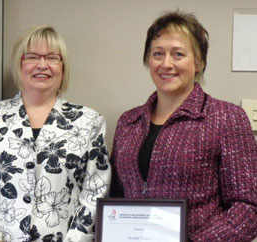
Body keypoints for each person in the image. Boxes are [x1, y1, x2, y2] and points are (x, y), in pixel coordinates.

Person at [110, 10, 257, 241]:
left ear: (199, 62)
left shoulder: (226, 117)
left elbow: (248, 208)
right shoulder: (128, 122)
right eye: (158, 54)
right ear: (148, 60)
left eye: (178, 54)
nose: (166, 64)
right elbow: (116, 199)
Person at [0, 25, 111, 242]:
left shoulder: (89, 122)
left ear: (63, 66)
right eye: (32, 57)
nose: (42, 65)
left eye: (52, 57)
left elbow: (96, 189)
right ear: (19, 64)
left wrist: (78, 236)